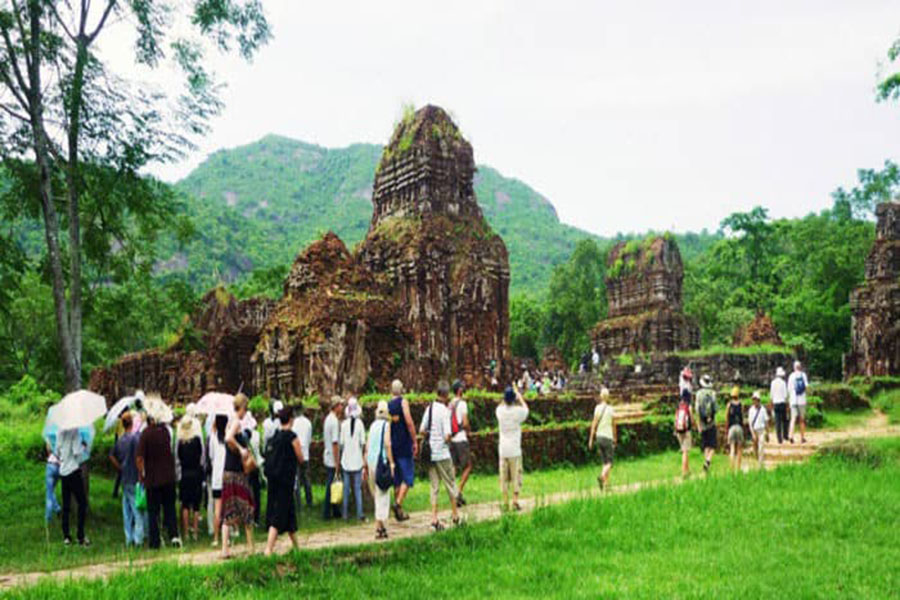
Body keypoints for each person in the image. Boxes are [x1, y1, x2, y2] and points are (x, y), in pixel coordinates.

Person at [136, 398, 181, 550]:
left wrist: (141, 475)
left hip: (153, 479)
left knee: (153, 511)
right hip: (168, 477)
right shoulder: (166, 432)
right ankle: (174, 536)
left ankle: (155, 541)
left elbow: (140, 458)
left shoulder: (146, 434)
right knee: (170, 509)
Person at [419, 380, 461, 530]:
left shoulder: (429, 408)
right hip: (442, 453)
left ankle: (434, 519)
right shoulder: (444, 411)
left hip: (430, 453)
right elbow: (448, 435)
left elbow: (422, 430)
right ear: (447, 394)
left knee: (434, 487)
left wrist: (431, 435)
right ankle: (455, 515)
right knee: (450, 483)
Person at [263, 405, 304, 556]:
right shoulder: (292, 437)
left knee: (289, 513)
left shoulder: (275, 437)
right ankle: (268, 549)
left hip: (274, 479)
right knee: (279, 514)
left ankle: (297, 547)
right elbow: (300, 457)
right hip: (286, 480)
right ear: (291, 419)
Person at [221, 394, 255, 558]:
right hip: (236, 472)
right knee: (247, 507)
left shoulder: (229, 422)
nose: (245, 412)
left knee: (228, 510)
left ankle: (225, 549)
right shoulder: (236, 422)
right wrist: (241, 450)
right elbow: (228, 438)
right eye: (245, 409)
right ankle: (250, 547)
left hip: (228, 470)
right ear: (241, 408)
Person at [109, 411, 143, 547]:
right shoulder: (135, 439)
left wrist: (119, 467)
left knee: (127, 510)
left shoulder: (121, 440)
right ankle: (138, 538)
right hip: (134, 476)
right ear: (132, 423)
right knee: (137, 510)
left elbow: (111, 455)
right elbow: (139, 458)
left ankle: (128, 538)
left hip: (124, 478)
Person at [388, 380, 417, 521]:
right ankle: (398, 504)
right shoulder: (402, 402)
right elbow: (409, 422)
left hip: (393, 445)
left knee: (397, 479)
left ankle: (398, 512)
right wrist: (414, 439)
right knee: (408, 477)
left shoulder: (388, 405)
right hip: (404, 444)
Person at [497, 385, 529, 511]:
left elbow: (500, 405)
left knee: (504, 478)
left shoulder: (500, 412)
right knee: (516, 476)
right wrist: (518, 395)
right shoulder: (518, 412)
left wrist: (506, 397)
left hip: (503, 449)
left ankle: (505, 502)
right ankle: (515, 501)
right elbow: (526, 408)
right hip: (515, 449)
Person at [366, 401, 394, 539]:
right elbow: (388, 444)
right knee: (383, 494)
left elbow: (368, 444)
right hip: (381, 462)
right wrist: (392, 462)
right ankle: (380, 527)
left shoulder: (372, 426)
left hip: (371, 462)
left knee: (377, 494)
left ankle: (379, 527)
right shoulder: (387, 425)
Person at [57, 427, 90, 546]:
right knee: (82, 503)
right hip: (73, 470)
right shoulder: (75, 431)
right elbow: (77, 452)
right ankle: (80, 536)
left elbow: (57, 450)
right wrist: (83, 445)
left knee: (66, 505)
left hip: (63, 471)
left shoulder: (59, 431)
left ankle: (66, 536)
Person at [176, 405, 204, 541]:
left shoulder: (181, 443)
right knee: (196, 505)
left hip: (185, 474)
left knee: (185, 504)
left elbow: (178, 458)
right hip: (196, 473)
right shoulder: (197, 441)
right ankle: (196, 532)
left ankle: (186, 532)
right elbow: (201, 457)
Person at [340, 397, 367, 522]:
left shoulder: (344, 425)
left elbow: (341, 443)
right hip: (357, 461)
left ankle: (345, 514)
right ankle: (359, 513)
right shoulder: (360, 424)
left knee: (346, 489)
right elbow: (362, 443)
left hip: (346, 460)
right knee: (357, 489)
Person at [449, 380, 473, 506]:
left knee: (453, 466)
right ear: (459, 390)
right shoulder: (462, 404)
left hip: (452, 439)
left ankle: (454, 492)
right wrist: (468, 431)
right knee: (468, 466)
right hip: (461, 438)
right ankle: (458, 491)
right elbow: (465, 422)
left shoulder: (450, 404)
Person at [588, 387, 616, 490]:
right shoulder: (610, 409)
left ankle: (606, 485)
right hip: (608, 437)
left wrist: (591, 439)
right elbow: (614, 425)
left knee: (605, 462)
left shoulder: (597, 408)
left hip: (599, 437)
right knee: (610, 463)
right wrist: (615, 438)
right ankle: (602, 477)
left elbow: (594, 424)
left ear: (601, 396)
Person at [322, 396, 344, 520]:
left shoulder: (328, 419)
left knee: (333, 483)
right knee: (331, 485)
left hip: (328, 454)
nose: (342, 407)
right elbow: (335, 443)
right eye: (340, 405)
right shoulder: (334, 422)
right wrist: (337, 462)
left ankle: (335, 510)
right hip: (332, 457)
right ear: (336, 406)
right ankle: (327, 512)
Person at [208, 414, 228, 547]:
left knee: (217, 509)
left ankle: (216, 538)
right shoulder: (228, 437)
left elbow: (211, 456)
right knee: (227, 509)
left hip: (216, 478)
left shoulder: (213, 438)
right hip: (227, 476)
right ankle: (227, 536)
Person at [291, 404, 313, 510]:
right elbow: (309, 439)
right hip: (306, 454)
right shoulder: (308, 423)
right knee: (307, 479)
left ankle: (298, 503)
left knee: (297, 480)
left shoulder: (294, 423)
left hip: (296, 453)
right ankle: (309, 501)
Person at [694, 375, 718, 474]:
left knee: (705, 445)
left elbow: (697, 409)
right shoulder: (713, 393)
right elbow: (716, 408)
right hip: (711, 422)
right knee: (712, 446)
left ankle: (706, 462)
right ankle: (708, 461)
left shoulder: (698, 394)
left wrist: (699, 423)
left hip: (702, 422)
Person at [787, 361, 810, 444]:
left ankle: (791, 436)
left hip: (793, 400)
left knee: (793, 419)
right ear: (800, 367)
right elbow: (807, 387)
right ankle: (802, 437)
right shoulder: (803, 375)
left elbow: (788, 390)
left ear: (794, 367)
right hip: (802, 400)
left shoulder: (791, 376)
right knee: (802, 419)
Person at [674, 388, 693, 478]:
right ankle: (683, 472)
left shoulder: (679, 406)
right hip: (686, 430)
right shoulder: (688, 406)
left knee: (684, 450)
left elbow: (675, 418)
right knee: (685, 452)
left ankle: (687, 470)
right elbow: (691, 418)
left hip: (678, 430)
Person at [748, 391, 769, 467]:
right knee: (755, 447)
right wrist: (753, 433)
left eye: (756, 399)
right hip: (754, 430)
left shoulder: (763, 409)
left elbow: (766, 422)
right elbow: (750, 423)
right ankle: (757, 459)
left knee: (761, 447)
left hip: (761, 430)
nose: (755, 401)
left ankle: (760, 463)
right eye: (754, 399)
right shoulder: (751, 410)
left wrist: (767, 432)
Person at [726, 386, 744, 473]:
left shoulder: (729, 405)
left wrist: (727, 429)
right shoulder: (741, 404)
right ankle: (738, 468)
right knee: (739, 449)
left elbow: (727, 418)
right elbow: (742, 417)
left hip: (731, 427)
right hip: (739, 427)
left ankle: (732, 468)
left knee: (732, 448)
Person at [770, 367, 789, 444]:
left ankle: (779, 438)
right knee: (784, 420)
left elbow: (771, 395)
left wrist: (771, 404)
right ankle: (785, 435)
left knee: (777, 421)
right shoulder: (783, 383)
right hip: (782, 402)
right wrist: (787, 405)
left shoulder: (773, 383)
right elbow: (785, 395)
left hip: (775, 403)